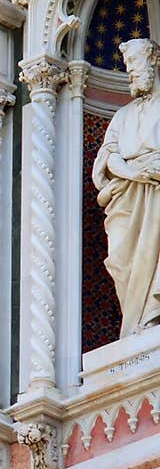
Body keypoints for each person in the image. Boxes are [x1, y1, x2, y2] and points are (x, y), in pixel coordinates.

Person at [92, 37, 160, 337]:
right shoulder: (122, 116)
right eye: (126, 65)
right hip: (128, 193)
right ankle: (135, 323)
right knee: (119, 260)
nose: (129, 71)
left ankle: (152, 317)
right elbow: (109, 159)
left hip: (156, 189)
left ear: (154, 62)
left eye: (134, 63)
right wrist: (135, 174)